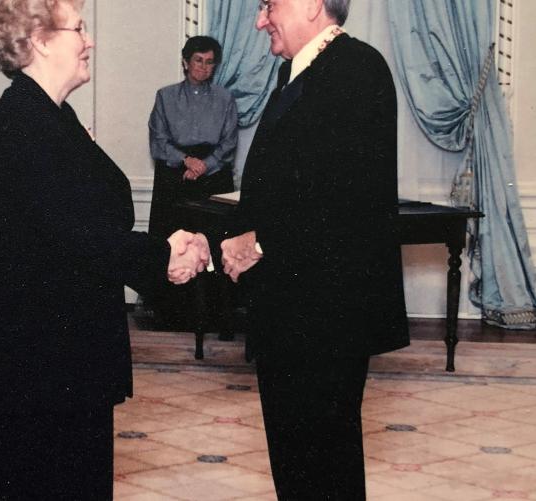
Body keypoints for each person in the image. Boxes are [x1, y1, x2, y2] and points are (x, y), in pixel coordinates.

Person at [0, 1, 209, 499]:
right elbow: (67, 234)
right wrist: (162, 255)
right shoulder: (24, 121)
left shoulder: (53, 117)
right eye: (79, 29)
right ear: (40, 40)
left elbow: (83, 222)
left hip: (59, 347)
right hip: (34, 356)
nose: (89, 40)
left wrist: (159, 250)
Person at [220, 0, 410, 498]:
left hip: (327, 316)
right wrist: (245, 236)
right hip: (295, 311)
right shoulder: (300, 73)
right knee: (298, 463)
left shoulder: (356, 69)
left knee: (324, 465)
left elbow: (343, 198)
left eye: (269, 5)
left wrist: (258, 241)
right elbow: (283, 184)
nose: (260, 20)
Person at [147, 36, 238, 330]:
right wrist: (186, 161)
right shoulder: (165, 96)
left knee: (212, 242)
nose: (204, 67)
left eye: (210, 62)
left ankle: (213, 316)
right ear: (186, 62)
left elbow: (228, 143)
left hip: (212, 177)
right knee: (173, 242)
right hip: (176, 174)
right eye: (198, 60)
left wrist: (204, 165)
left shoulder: (225, 99)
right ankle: (172, 316)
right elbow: (158, 141)